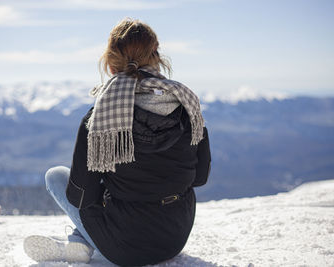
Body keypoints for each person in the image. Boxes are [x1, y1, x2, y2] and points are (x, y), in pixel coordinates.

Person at [23, 18, 211, 266]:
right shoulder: (187, 107)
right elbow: (199, 178)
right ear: (156, 58)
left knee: (55, 175)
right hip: (175, 237)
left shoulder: (100, 119)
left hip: (126, 249)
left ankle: (80, 240)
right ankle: (80, 240)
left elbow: (81, 197)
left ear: (111, 65)